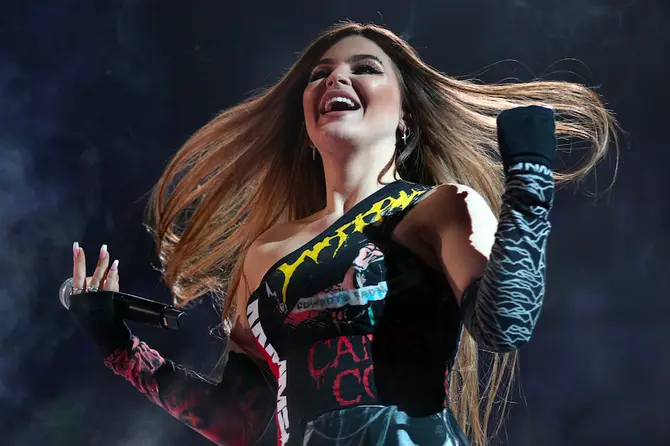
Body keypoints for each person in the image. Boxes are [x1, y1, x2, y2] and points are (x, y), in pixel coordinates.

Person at [67, 21, 618, 446]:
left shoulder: (441, 209)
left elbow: (506, 323)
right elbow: (236, 420)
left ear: (405, 115)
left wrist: (529, 180)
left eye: (365, 67)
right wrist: (117, 343)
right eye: (319, 73)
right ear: (307, 121)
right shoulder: (263, 255)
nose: (335, 78)